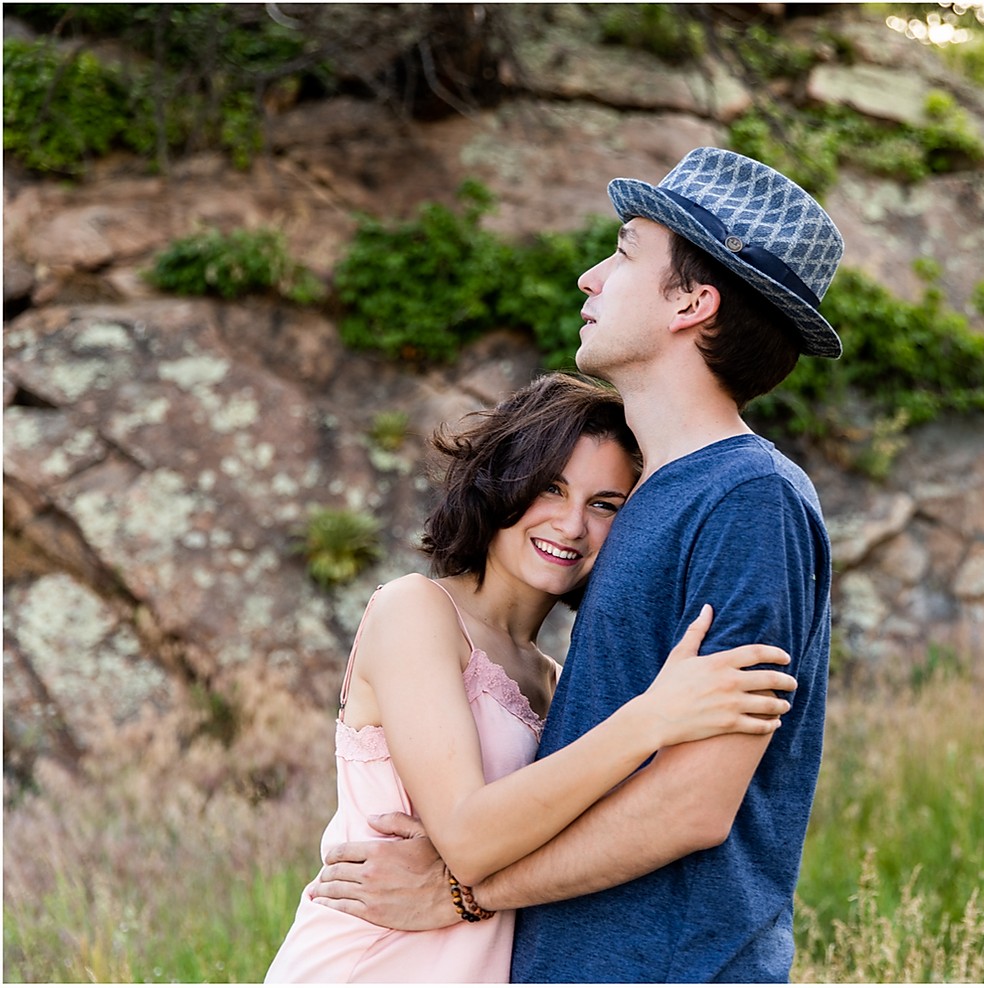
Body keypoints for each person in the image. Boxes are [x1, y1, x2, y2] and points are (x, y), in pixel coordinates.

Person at [309, 147, 845, 982]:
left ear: (693, 302)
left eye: (626, 252)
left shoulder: (748, 499)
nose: (593, 278)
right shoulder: (653, 498)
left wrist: (462, 895)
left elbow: (693, 805)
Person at [265, 372, 799, 982]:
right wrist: (651, 718)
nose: (572, 525)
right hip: (374, 961)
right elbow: (468, 838)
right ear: (500, 485)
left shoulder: (554, 681)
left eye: (605, 505)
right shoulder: (415, 611)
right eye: (551, 488)